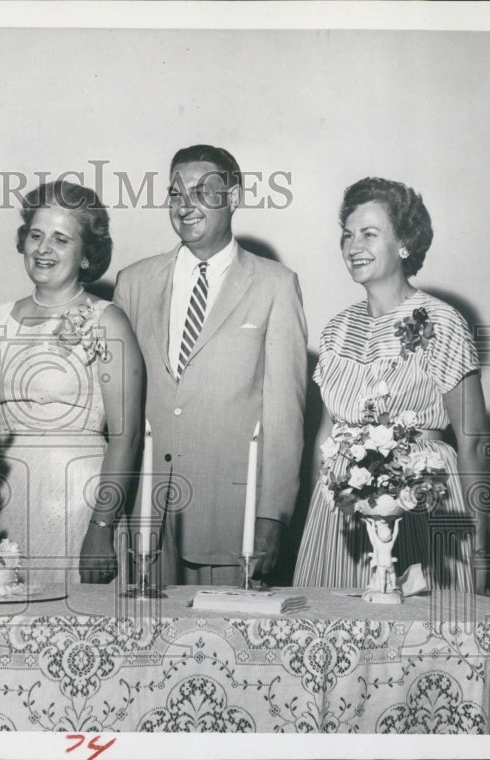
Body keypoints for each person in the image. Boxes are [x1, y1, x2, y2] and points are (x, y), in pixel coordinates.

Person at [113, 144, 307, 585]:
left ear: (234, 198)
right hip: (146, 518)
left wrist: (272, 517)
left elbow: (285, 415)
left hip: (230, 519)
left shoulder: (276, 284)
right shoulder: (133, 282)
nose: (186, 204)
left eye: (203, 191)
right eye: (176, 193)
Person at [293, 177, 487, 593]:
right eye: (347, 235)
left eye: (368, 234)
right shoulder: (336, 329)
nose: (352, 246)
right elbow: (324, 438)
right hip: (343, 514)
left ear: (404, 243)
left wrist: (482, 547)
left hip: (426, 501)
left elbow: (472, 442)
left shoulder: (443, 321)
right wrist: (317, 520)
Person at [0, 180, 144, 585]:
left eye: (60, 239)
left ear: (86, 255)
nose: (43, 248)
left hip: (76, 503)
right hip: (2, 500)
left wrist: (101, 529)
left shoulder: (108, 321)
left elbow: (127, 437)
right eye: (35, 235)